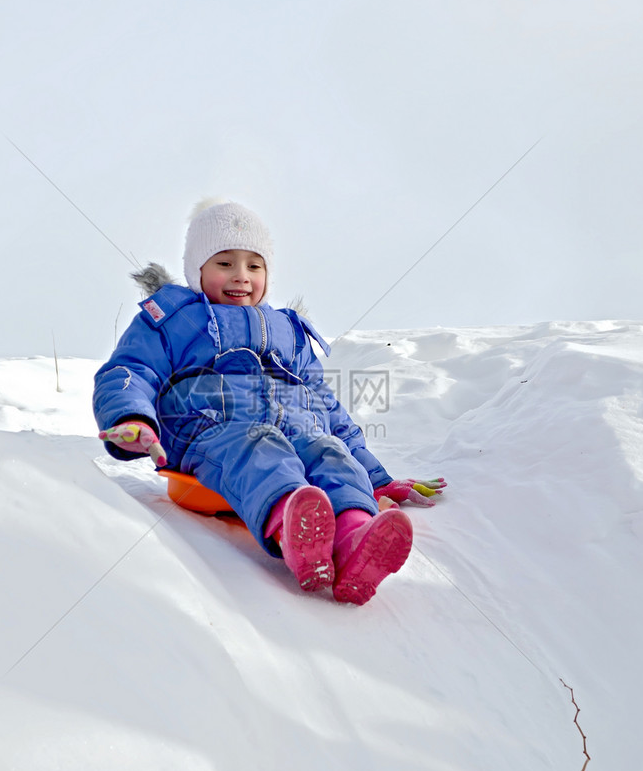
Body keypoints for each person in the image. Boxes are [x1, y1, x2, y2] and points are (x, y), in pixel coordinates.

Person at [94, 200, 445, 605]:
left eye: (254, 266)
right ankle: (294, 527)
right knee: (261, 445)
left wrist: (377, 477)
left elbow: (326, 406)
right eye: (225, 263)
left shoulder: (287, 330)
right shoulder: (174, 318)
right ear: (197, 270)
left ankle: (355, 537)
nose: (241, 276)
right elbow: (131, 370)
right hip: (212, 429)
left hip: (297, 426)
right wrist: (132, 416)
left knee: (328, 448)